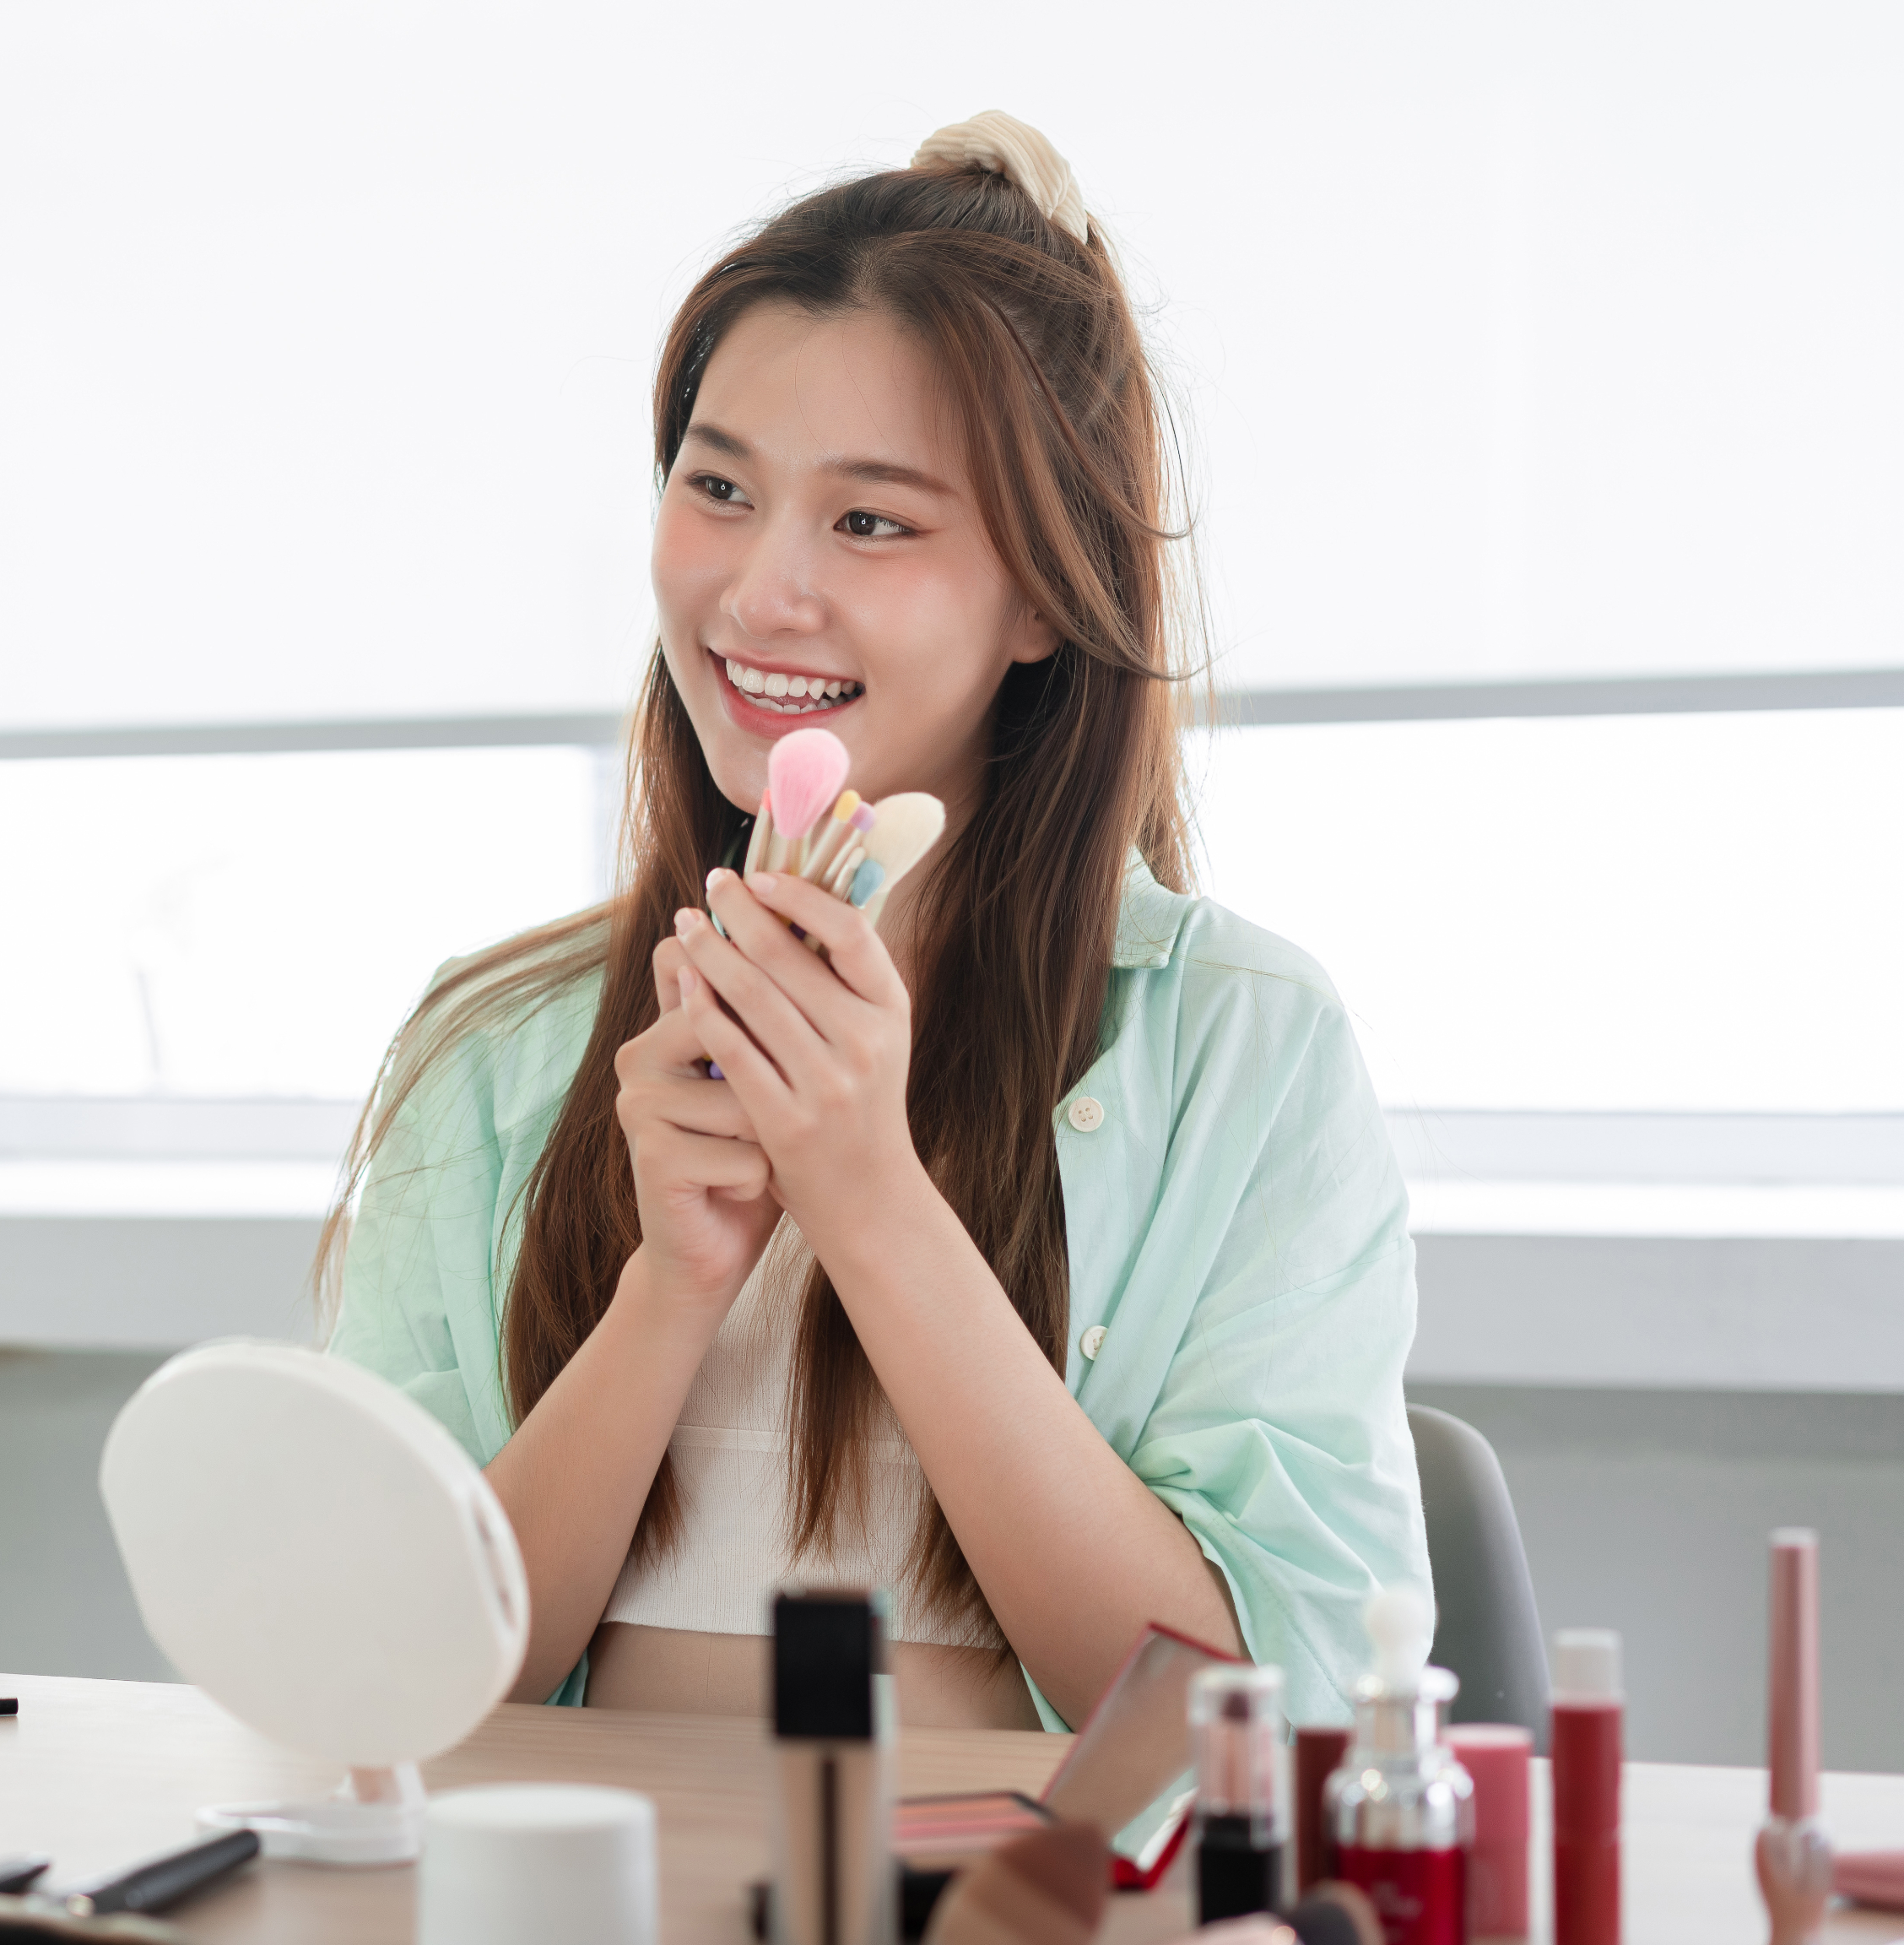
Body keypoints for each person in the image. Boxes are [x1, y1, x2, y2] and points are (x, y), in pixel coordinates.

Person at [321, 112, 1425, 1730]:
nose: (762, 592)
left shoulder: (1249, 1048)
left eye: (872, 521)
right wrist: (670, 1286)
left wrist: (869, 1199)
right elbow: (398, 1684)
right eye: (718, 487)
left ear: (1046, 590)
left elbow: (1269, 1723)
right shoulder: (493, 1049)